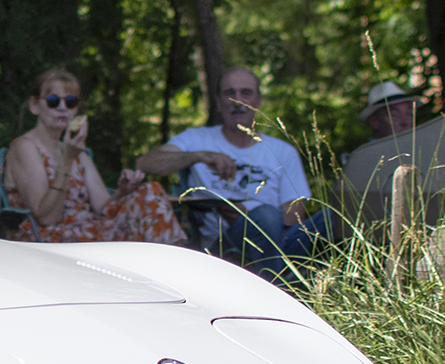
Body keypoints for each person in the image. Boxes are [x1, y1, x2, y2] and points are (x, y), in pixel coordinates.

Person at [137, 66, 329, 283]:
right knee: (266, 214)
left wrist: (248, 217)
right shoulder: (197, 139)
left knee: (336, 215)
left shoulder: (283, 151)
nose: (237, 101)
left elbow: (293, 216)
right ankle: (278, 289)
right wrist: (199, 156)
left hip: (280, 239)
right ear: (218, 102)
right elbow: (146, 163)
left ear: (258, 100)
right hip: (224, 244)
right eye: (230, 93)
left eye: (245, 93)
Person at [4, 68, 184, 245]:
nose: (62, 107)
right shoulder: (25, 147)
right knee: (134, 227)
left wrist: (122, 191)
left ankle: (172, 261)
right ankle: (171, 264)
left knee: (150, 191)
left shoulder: (76, 153)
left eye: (70, 102)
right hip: (45, 239)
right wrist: (66, 161)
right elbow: (46, 218)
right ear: (34, 106)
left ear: (75, 110)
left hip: (90, 233)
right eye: (53, 101)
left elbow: (104, 208)